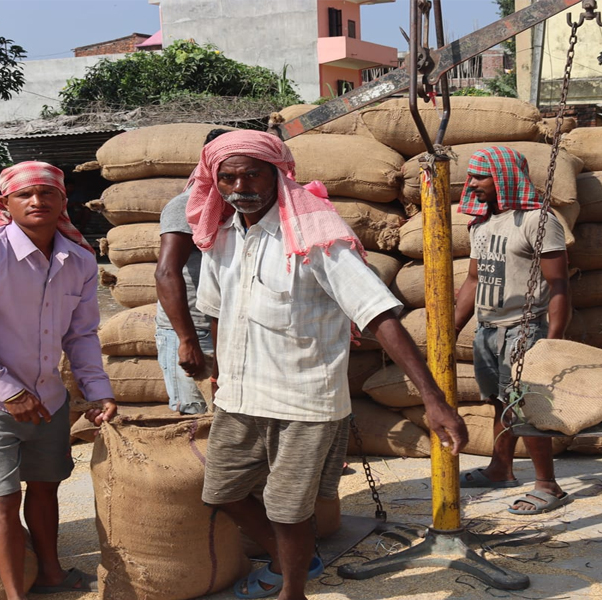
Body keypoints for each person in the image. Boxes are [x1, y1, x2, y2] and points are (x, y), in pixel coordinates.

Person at [187, 131, 468, 600]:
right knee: (221, 492)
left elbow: (377, 313)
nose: (240, 187)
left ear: (277, 175)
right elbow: (216, 311)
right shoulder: (221, 238)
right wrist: (219, 371)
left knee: (288, 510)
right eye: (228, 177)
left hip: (304, 398)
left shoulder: (317, 237)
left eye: (251, 173)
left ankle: (292, 590)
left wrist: (434, 399)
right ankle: (285, 557)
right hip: (240, 396)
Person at [0, 161, 117, 598]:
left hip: (48, 399)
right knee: (2, 499)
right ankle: (16, 593)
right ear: (6, 203)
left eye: (47, 194)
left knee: (45, 488)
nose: (37, 202)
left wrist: (97, 393)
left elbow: (81, 335)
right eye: (25, 195)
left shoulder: (78, 259)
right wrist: (9, 390)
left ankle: (52, 574)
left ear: (63, 202)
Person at [452, 146, 572, 515]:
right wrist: (450, 330)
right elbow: (473, 280)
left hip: (525, 330)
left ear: (503, 178)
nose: (471, 185)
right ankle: (500, 469)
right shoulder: (482, 223)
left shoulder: (538, 221)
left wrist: (552, 344)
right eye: (471, 176)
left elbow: (559, 286)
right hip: (487, 331)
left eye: (479, 177)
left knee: (528, 409)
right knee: (500, 404)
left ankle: (548, 484)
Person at [154, 128, 231, 414]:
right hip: (194, 328)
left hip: (229, 327)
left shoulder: (246, 206)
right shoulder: (187, 206)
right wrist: (187, 341)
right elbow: (166, 273)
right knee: (195, 418)